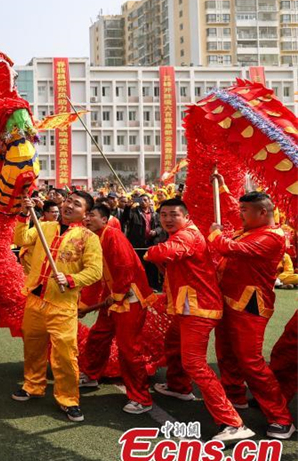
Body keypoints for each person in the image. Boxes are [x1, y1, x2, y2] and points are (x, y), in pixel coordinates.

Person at [145, 198, 253, 443]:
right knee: (173, 346)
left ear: (186, 216)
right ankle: (179, 387)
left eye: (174, 214)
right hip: (185, 307)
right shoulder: (184, 234)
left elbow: (162, 252)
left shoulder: (187, 236)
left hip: (198, 309)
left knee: (195, 364)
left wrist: (151, 251)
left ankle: (232, 422)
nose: (168, 219)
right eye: (163, 215)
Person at [207, 179, 293, 440]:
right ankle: (235, 397)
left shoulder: (273, 237)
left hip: (251, 304)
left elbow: (232, 248)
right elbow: (236, 208)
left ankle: (281, 418)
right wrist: (221, 187)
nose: (240, 214)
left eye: (246, 211)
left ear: (263, 213)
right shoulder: (251, 226)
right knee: (226, 353)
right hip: (228, 299)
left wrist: (214, 234)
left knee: (251, 361)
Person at [11, 191, 102, 422]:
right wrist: (24, 213)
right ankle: (33, 385)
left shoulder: (88, 238)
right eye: (68, 201)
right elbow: (20, 239)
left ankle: (68, 398)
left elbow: (95, 271)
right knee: (33, 346)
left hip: (62, 304)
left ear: (86, 213)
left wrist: (71, 280)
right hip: (35, 299)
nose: (69, 206)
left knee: (65, 354)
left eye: (77, 204)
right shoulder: (46, 226)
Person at [79, 204, 155, 414]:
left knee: (129, 348)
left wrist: (118, 295)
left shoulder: (112, 235)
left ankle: (141, 398)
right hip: (112, 296)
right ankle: (91, 375)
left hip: (129, 298)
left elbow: (125, 266)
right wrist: (85, 305)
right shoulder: (92, 238)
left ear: (105, 220)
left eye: (92, 215)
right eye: (86, 216)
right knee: (98, 335)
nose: (87, 219)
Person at [122, 194, 162, 291]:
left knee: (152, 267)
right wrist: (127, 207)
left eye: (145, 200)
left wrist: (156, 231)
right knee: (139, 267)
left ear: (149, 201)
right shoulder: (133, 212)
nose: (143, 201)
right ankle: (141, 287)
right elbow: (125, 219)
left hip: (151, 245)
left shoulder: (155, 214)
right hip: (137, 245)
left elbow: (161, 226)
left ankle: (153, 286)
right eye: (141, 200)